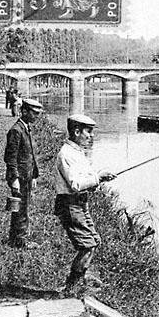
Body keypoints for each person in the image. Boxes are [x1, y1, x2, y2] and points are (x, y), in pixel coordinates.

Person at [54, 114, 116, 295]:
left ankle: (81, 278)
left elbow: (85, 179)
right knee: (87, 245)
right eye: (88, 132)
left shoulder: (76, 152)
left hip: (80, 203)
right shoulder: (66, 154)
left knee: (94, 241)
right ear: (76, 131)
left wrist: (99, 177)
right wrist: (98, 178)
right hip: (70, 204)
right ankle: (71, 287)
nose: (91, 136)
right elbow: (75, 185)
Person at [4, 98, 44, 249]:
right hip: (19, 176)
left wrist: (33, 175)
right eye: (34, 113)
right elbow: (10, 157)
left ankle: (16, 238)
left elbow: (30, 155)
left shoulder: (25, 128)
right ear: (24, 111)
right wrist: (14, 178)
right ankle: (20, 240)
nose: (36, 116)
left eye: (38, 114)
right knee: (21, 208)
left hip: (26, 175)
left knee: (23, 206)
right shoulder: (16, 130)